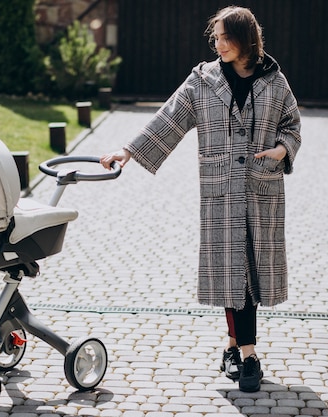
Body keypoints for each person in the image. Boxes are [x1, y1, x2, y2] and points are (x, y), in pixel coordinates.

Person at [100, 6, 301, 392]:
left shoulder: (275, 82)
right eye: (216, 37)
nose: (218, 43)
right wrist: (127, 151)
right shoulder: (203, 80)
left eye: (226, 37)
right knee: (233, 271)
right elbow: (168, 119)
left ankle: (231, 347)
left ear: (246, 39)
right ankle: (249, 357)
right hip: (221, 189)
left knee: (248, 273)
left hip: (261, 190)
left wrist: (282, 149)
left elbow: (291, 125)